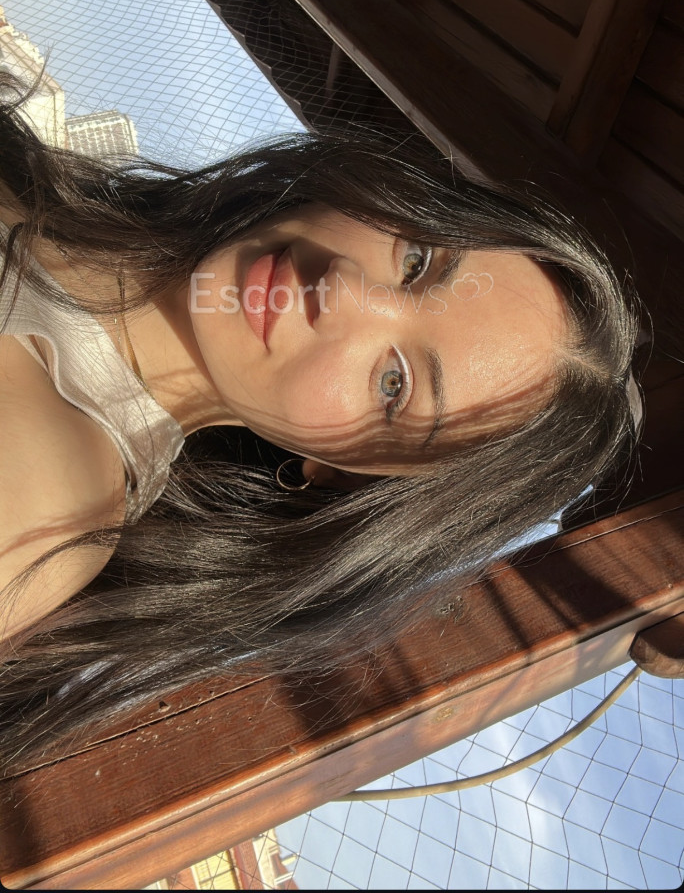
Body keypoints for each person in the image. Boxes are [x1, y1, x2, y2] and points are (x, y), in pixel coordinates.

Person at [0, 74, 641, 769]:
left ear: (340, 475)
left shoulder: (47, 500)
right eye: (418, 260)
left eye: (395, 384)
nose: (340, 288)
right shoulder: (42, 186)